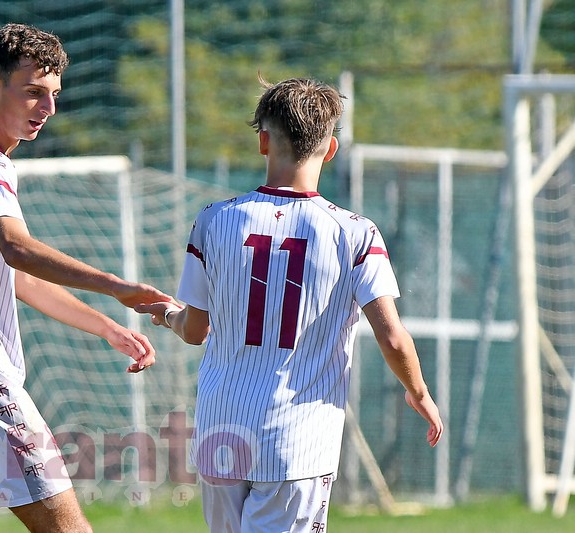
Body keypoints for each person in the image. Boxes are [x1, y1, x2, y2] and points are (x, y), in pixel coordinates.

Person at [136, 77, 444, 532]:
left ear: (263, 142)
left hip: (221, 432)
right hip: (298, 442)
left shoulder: (214, 220)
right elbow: (393, 337)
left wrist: (166, 315)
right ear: (331, 149)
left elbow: (195, 330)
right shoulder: (355, 233)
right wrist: (419, 393)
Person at [0, 23, 171, 533]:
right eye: (32, 92)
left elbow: (15, 276)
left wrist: (106, 326)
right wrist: (117, 286)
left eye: (53, 94)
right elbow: (18, 249)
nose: (47, 108)